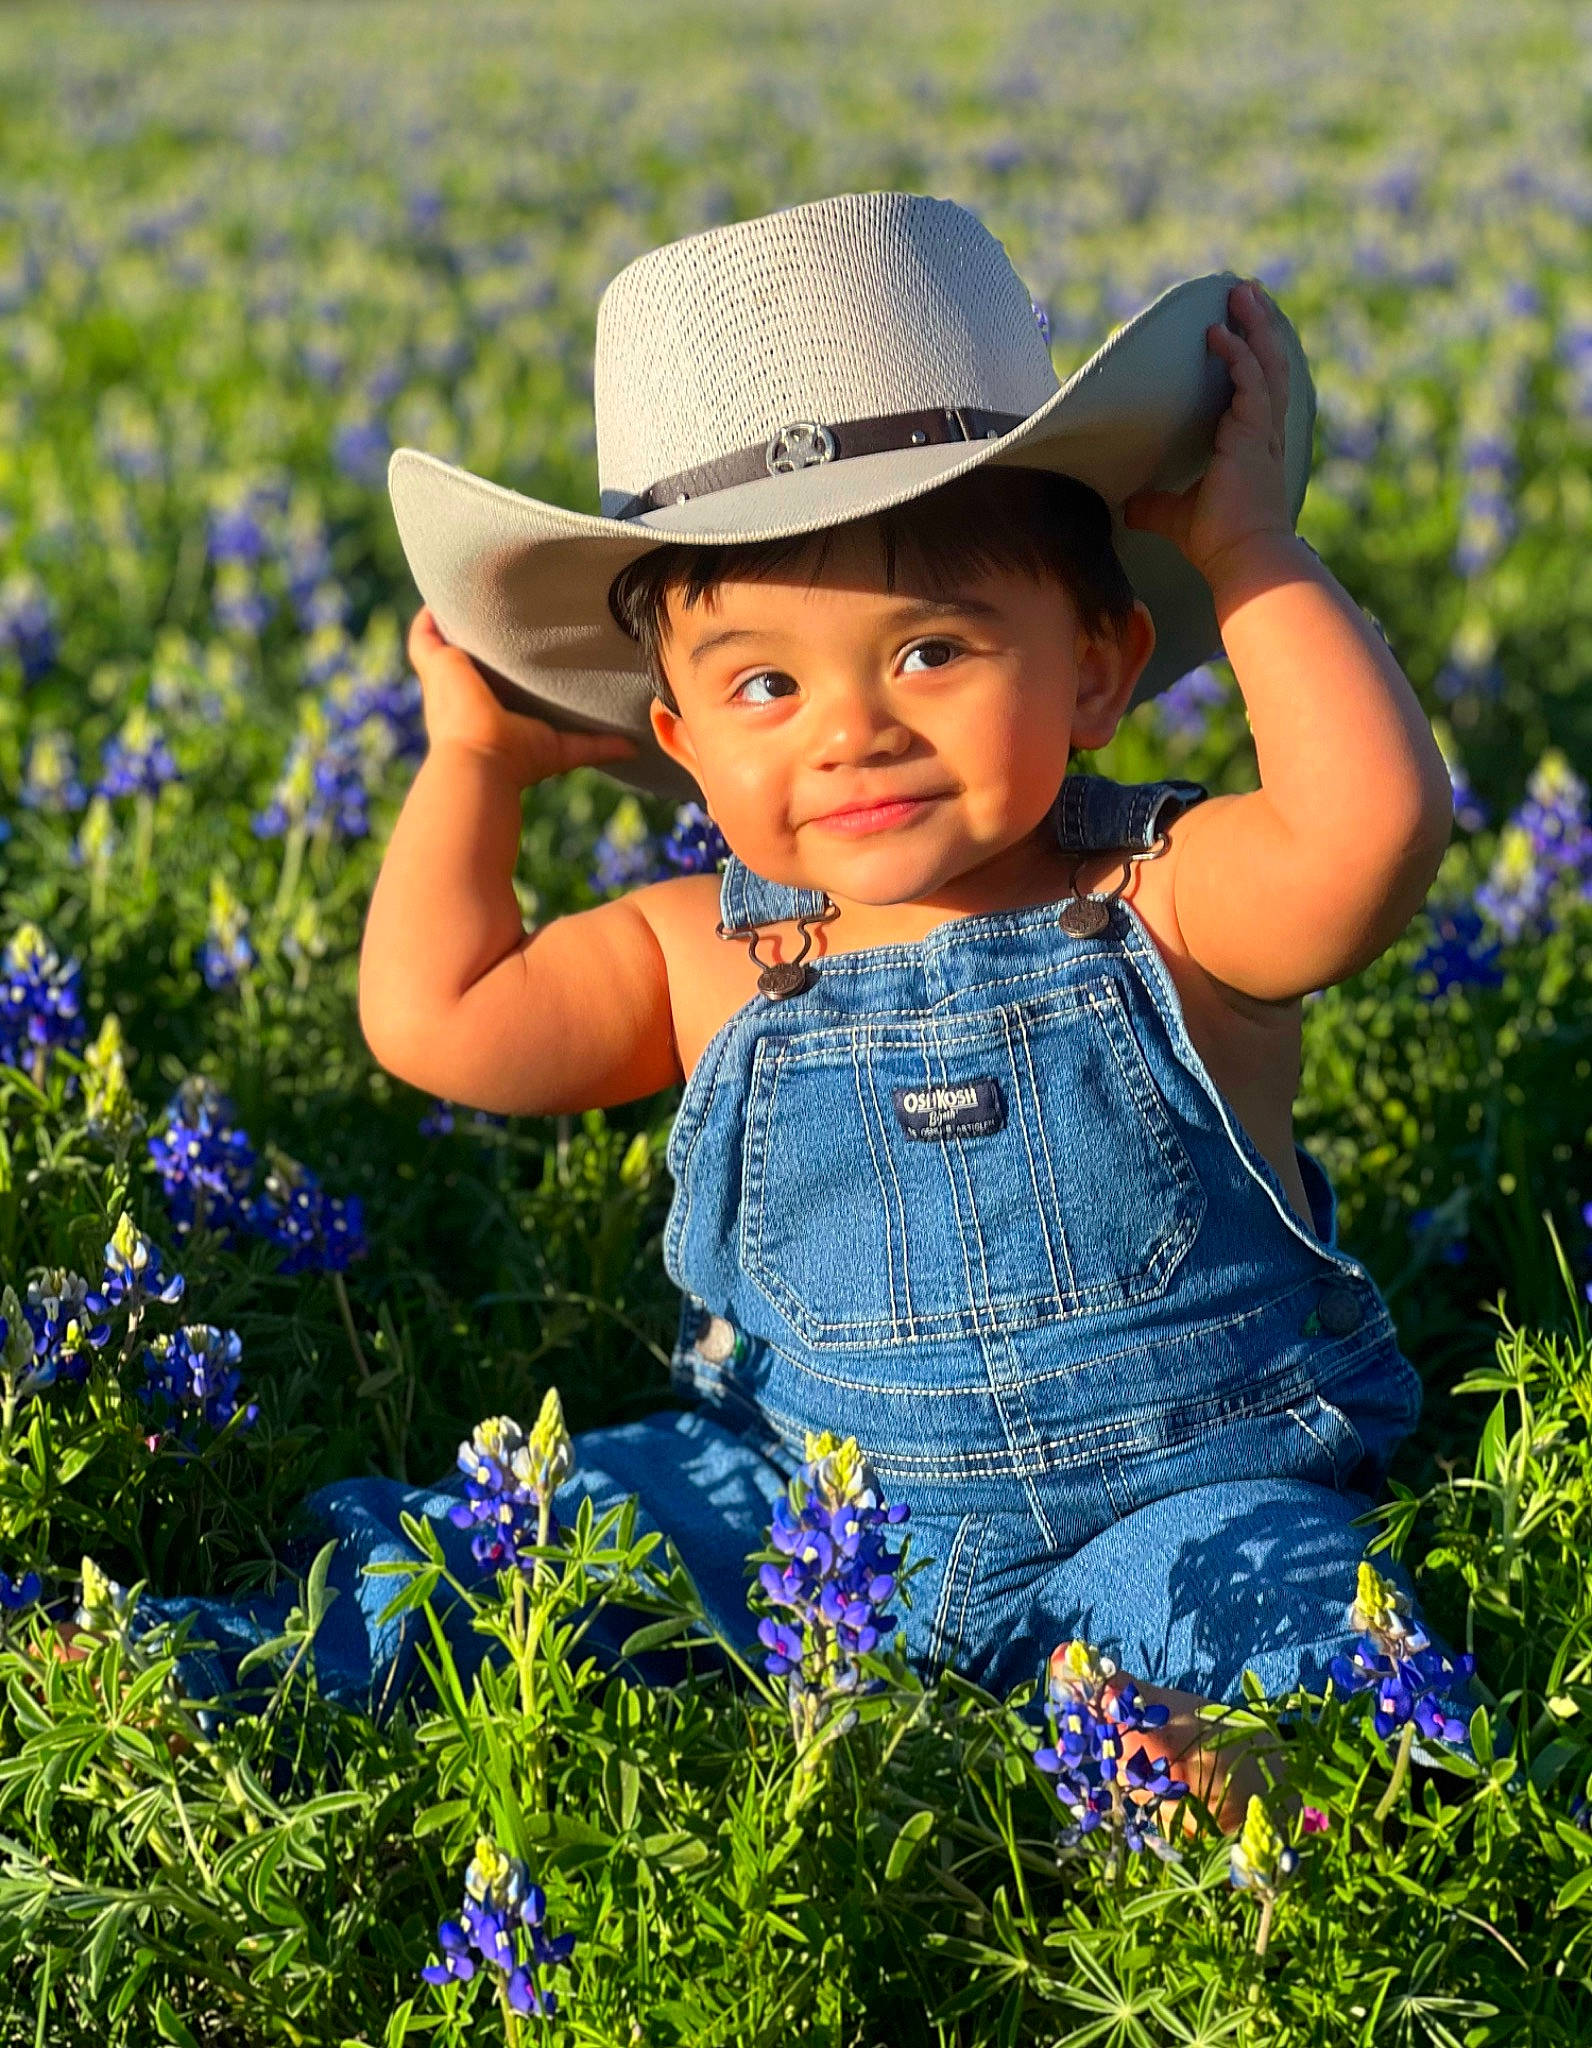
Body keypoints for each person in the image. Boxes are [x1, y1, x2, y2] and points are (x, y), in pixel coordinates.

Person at [113, 193, 1458, 1824]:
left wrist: (1252, 555)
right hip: (798, 1502)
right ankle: (211, 1680)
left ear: (1102, 667)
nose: (851, 733)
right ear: (675, 736)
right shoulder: (706, 951)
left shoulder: (1170, 899)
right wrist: (471, 766)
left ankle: (1268, 1768)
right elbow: (440, 1015)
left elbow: (1368, 831)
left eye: (935, 651)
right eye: (767, 683)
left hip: (1171, 1495)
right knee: (514, 1542)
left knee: (1285, 1606)